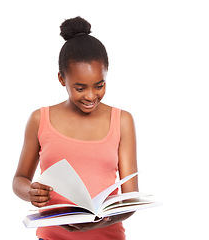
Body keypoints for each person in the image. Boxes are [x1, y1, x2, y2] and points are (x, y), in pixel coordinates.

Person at [12, 16, 138, 240]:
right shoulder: (40, 119)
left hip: (108, 236)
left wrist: (104, 220)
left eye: (99, 85)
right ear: (62, 79)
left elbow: (131, 199)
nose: (91, 96)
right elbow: (20, 179)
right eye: (80, 88)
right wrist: (29, 192)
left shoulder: (122, 120)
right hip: (51, 237)